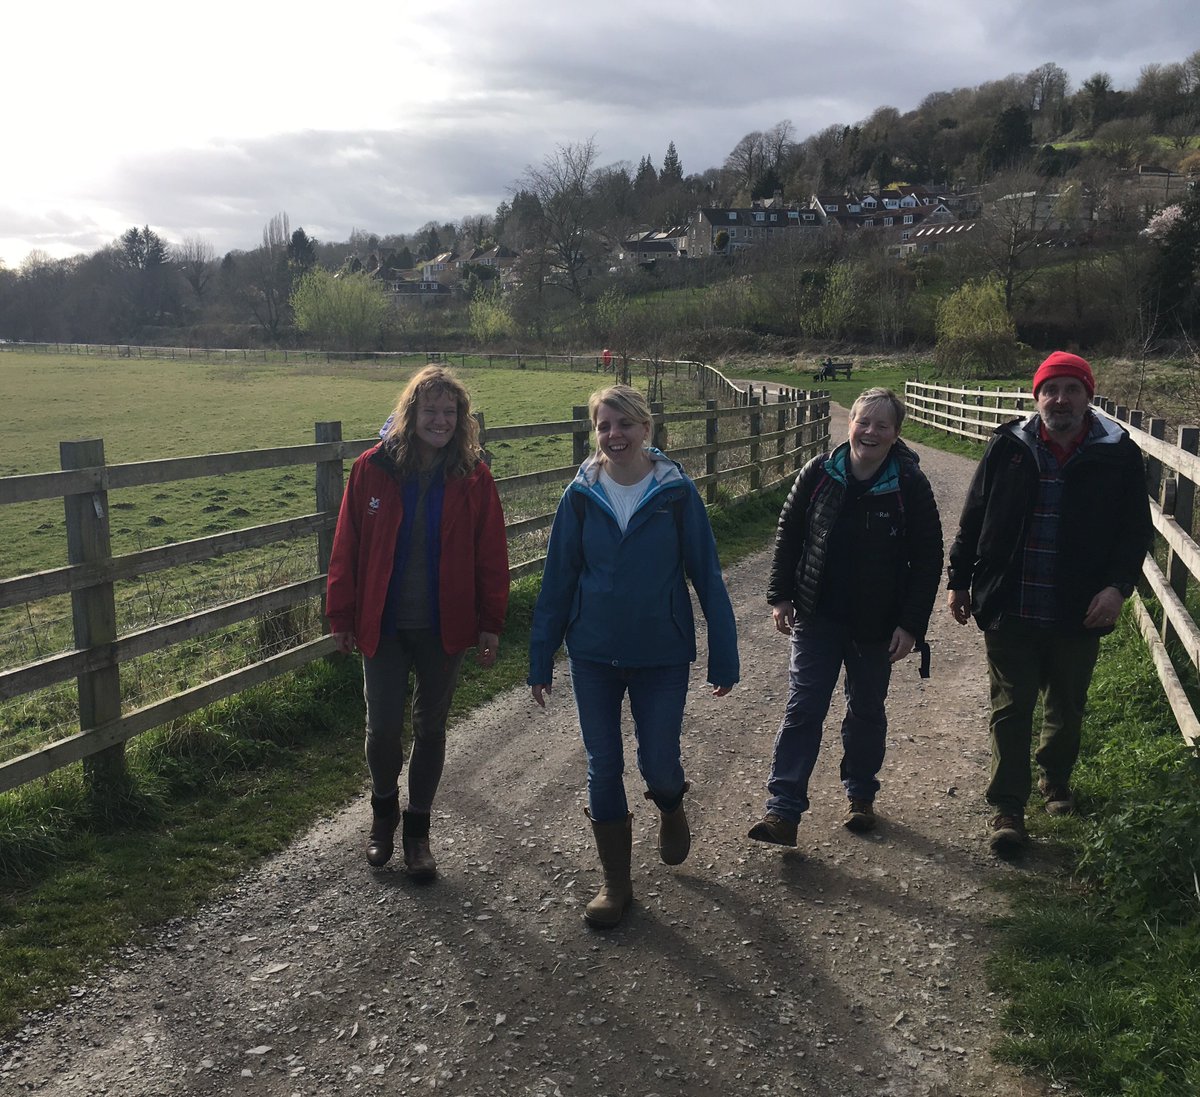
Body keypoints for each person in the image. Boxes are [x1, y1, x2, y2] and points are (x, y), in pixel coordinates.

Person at [528, 384, 739, 929]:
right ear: (595, 433)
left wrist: (725, 656)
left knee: (658, 760)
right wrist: (540, 656)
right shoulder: (580, 495)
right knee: (603, 765)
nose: (614, 435)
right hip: (593, 652)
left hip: (661, 653)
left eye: (624, 424)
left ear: (646, 429)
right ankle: (615, 885)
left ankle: (670, 804)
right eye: (604, 426)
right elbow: (558, 580)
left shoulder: (676, 494)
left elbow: (706, 575)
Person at [947, 351, 1151, 854]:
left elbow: (1134, 532)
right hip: (1011, 601)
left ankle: (1055, 778)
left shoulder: (1117, 453)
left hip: (1079, 605)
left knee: (1067, 701)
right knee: (1011, 707)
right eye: (1050, 390)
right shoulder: (1009, 447)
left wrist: (1116, 587)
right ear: (1036, 396)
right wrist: (959, 580)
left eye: (1071, 389)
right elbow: (975, 515)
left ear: (1088, 397)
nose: (1060, 399)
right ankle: (1007, 808)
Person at [326, 365, 509, 878]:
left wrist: (491, 621)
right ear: (410, 412)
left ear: (462, 419)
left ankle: (418, 834)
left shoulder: (473, 476)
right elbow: (347, 548)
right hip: (380, 625)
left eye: (450, 412)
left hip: (443, 626)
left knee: (430, 728)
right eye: (430, 410)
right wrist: (340, 612)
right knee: (382, 729)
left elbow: (491, 554)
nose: (440, 420)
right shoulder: (372, 469)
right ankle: (383, 813)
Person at [749, 388, 943, 846]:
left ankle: (860, 795)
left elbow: (929, 558)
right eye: (863, 421)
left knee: (866, 713)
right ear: (849, 423)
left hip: (876, 626)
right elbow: (789, 535)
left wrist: (911, 625)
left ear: (896, 434)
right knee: (803, 709)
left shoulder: (909, 485)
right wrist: (781, 597)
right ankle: (783, 811)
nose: (870, 431)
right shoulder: (818, 473)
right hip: (817, 616)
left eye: (882, 425)